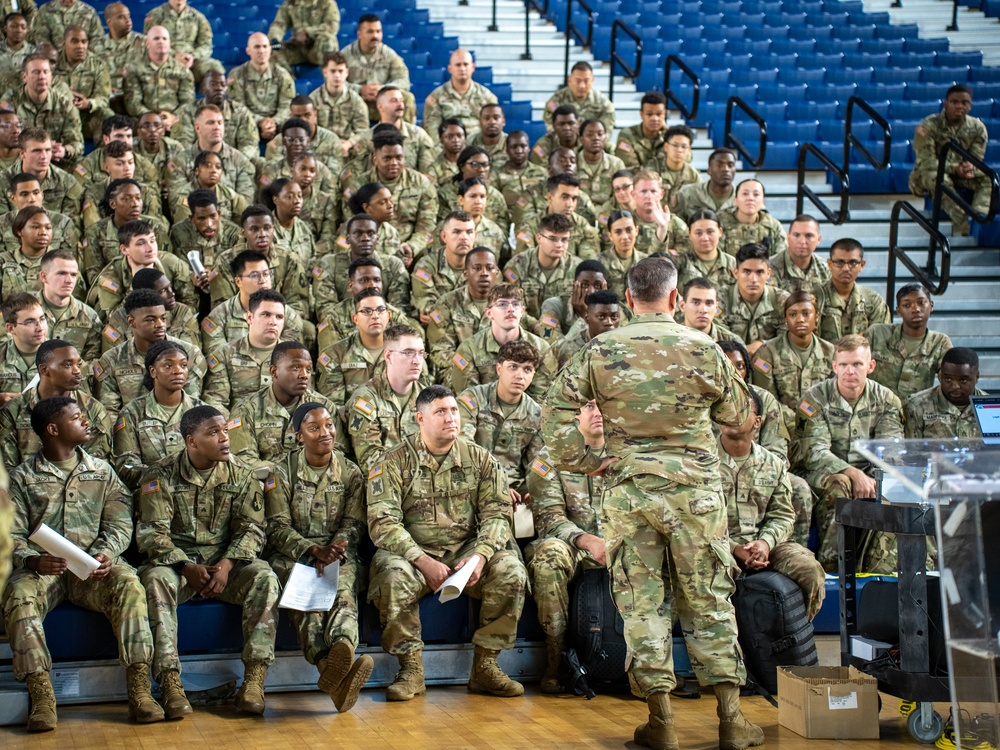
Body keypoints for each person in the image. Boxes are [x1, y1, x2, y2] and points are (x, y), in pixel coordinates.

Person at [542, 256, 762, 750]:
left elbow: (553, 411)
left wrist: (585, 459)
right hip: (696, 498)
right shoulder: (704, 346)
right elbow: (739, 417)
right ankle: (731, 721)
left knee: (642, 606)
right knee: (708, 600)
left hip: (629, 494)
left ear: (627, 300)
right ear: (675, 298)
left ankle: (661, 722)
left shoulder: (600, 349)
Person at [3, 396, 164, 732]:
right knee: (18, 593)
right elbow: (10, 534)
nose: (87, 422)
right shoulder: (20, 478)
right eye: (77, 418)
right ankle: (42, 695)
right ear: (53, 429)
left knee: (130, 584)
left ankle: (140, 689)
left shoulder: (101, 471)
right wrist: (31, 558)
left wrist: (106, 553)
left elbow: (120, 524)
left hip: (94, 568)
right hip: (44, 570)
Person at [367, 384, 528, 701]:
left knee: (511, 571)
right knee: (391, 577)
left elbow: (498, 514)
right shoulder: (393, 462)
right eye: (440, 411)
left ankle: (486, 667)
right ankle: (411, 669)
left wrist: (481, 557)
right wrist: (421, 560)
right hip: (415, 554)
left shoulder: (481, 460)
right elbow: (383, 522)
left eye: (454, 410)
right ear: (420, 418)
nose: (450, 417)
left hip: (466, 554)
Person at [137, 405, 280, 717]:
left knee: (265, 576)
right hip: (178, 566)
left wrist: (227, 565)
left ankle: (254, 681)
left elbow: (252, 529)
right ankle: (171, 683)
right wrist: (186, 566)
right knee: (154, 580)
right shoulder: (159, 475)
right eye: (213, 432)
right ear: (191, 441)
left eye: (225, 430)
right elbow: (151, 534)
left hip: (224, 565)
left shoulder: (242, 473)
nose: (224, 438)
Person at [264, 401, 373, 712]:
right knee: (309, 596)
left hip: (337, 551)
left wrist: (334, 549)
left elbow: (354, 523)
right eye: (314, 428)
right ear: (299, 436)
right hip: (293, 553)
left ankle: (341, 649)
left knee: (343, 591)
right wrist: (313, 551)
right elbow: (277, 527)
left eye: (328, 425)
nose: (325, 432)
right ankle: (331, 667)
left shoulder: (350, 472)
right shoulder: (281, 472)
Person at [797, 334, 904, 572]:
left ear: (871, 366)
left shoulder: (886, 400)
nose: (849, 371)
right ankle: (833, 567)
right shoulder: (815, 398)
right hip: (823, 473)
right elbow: (814, 452)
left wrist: (873, 478)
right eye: (843, 364)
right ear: (834, 366)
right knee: (840, 483)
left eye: (857, 364)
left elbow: (892, 454)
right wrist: (852, 473)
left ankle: (878, 570)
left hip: (872, 474)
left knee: (894, 490)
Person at [719, 389, 826, 621]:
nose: (732, 414)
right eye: (726, 409)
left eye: (741, 409)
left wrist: (765, 543)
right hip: (717, 547)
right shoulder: (702, 463)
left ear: (757, 422)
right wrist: (735, 548)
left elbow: (783, 516)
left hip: (765, 545)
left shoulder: (773, 464)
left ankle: (792, 634)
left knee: (809, 569)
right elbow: (695, 520)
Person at [526, 399, 606, 693]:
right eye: (588, 407)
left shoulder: (626, 454)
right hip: (572, 546)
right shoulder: (549, 458)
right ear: (573, 415)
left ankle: (647, 665)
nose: (597, 413)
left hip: (617, 544)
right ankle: (556, 660)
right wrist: (587, 541)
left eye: (601, 405)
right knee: (549, 555)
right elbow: (549, 519)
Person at [92, 288, 206, 420]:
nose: (160, 325)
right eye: (151, 320)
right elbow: (110, 411)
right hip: (131, 431)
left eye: (163, 318)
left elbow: (192, 404)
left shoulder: (189, 353)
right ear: (131, 321)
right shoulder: (112, 360)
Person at [0, 337, 109, 467]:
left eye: (78, 364)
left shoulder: (93, 409)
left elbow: (98, 468)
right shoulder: (13, 410)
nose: (77, 371)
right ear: (44, 370)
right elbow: (7, 468)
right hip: (24, 485)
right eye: (68, 365)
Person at [457, 340, 543, 504]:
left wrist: (531, 491)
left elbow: (536, 463)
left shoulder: (536, 414)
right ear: (499, 369)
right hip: (470, 482)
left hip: (514, 491)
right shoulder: (472, 399)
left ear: (533, 375)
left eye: (527, 369)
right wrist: (496, 485)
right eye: (513, 367)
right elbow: (462, 446)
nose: (519, 375)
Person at [227, 341, 337, 467]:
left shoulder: (324, 407)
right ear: (274, 372)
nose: (304, 375)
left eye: (308, 369)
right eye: (296, 367)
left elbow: (336, 453)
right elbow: (243, 460)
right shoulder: (245, 410)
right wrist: (282, 476)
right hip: (264, 483)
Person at [111, 339, 203, 490]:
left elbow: (214, 461)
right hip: (152, 494)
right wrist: (167, 476)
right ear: (153, 371)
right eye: (168, 365)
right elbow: (126, 468)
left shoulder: (201, 412)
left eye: (183, 365)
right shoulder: (132, 413)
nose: (178, 370)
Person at [341, 130, 438, 259]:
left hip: (411, 250)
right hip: (369, 248)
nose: (394, 163)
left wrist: (411, 247)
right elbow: (353, 224)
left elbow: (426, 225)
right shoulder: (359, 185)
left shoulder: (421, 183)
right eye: (387, 158)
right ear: (375, 159)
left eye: (399, 157)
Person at [909, 84, 991, 236]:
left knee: (988, 179)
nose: (959, 106)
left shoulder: (978, 128)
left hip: (958, 174)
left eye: (964, 103)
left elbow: (976, 159)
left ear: (970, 106)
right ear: (945, 103)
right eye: (954, 102)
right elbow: (926, 162)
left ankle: (979, 219)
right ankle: (964, 227)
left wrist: (969, 168)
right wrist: (955, 168)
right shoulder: (929, 125)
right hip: (926, 175)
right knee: (940, 178)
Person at [751, 291, 835, 435]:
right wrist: (799, 423)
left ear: (817, 317)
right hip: (780, 428)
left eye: (806, 313)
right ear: (785, 319)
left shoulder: (831, 352)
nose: (800, 319)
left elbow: (835, 397)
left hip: (823, 427)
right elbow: (766, 400)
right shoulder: (766, 354)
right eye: (792, 314)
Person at [451, 283, 554, 400]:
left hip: (528, 415)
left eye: (516, 304)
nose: (510, 309)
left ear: (522, 311)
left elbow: (540, 399)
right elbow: (469, 400)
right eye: (502, 304)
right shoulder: (469, 349)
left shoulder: (541, 348)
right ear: (489, 313)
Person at [346, 323, 423, 471]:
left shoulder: (427, 397)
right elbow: (371, 461)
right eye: (408, 353)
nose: (417, 361)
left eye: (421, 353)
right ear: (388, 356)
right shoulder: (366, 399)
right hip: (382, 485)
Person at [210, 205, 310, 316]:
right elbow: (223, 306)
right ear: (244, 233)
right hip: (239, 323)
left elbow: (298, 302)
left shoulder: (288, 259)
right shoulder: (226, 261)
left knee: (307, 328)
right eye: (254, 229)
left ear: (274, 229)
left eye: (267, 228)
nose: (262, 235)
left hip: (278, 321)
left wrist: (276, 322)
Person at [87, 216, 195, 318]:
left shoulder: (171, 263)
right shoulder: (111, 275)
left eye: (152, 241)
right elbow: (115, 318)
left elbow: (190, 303)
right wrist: (136, 285)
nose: (150, 248)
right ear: (124, 249)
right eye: (141, 243)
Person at [202, 288, 287, 415]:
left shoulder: (293, 355)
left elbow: (304, 401)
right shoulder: (223, 355)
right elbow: (215, 401)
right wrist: (235, 427)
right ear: (249, 317)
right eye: (266, 315)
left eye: (279, 317)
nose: (273, 322)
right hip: (238, 428)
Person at [201, 249, 305, 351]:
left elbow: (289, 358)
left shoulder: (289, 316)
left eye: (265, 274)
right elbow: (217, 359)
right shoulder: (218, 317)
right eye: (254, 275)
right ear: (238, 281)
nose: (263, 281)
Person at [313, 212, 409, 321]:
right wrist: (360, 321)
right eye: (358, 234)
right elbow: (325, 309)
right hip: (343, 325)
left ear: (377, 238)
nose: (365, 238)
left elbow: (400, 307)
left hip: (382, 323)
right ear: (348, 239)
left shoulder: (393, 265)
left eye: (371, 233)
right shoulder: (330, 264)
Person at [866, 283, 953, 402]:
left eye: (921, 303)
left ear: (931, 306)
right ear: (898, 310)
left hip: (916, 413)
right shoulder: (877, 333)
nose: (915, 309)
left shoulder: (939, 342)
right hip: (877, 410)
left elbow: (951, 380)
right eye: (907, 305)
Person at [315, 289, 404, 405]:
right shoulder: (334, 355)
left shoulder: (406, 352)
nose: (375, 316)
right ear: (355, 319)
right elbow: (333, 408)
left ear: (388, 315)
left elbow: (417, 398)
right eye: (367, 311)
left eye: (381, 310)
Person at [426, 247, 499, 376]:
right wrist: (471, 365)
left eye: (489, 268)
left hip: (498, 369)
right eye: (477, 268)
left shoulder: (508, 303)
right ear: (465, 273)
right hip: (459, 368)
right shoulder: (446, 303)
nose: (484, 273)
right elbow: (440, 351)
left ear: (497, 272)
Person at [1, 52, 82, 167]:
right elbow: (4, 140)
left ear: (51, 76)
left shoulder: (64, 103)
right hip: (19, 160)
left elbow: (77, 143)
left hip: (54, 161)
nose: (42, 76)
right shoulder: (10, 101)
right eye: (36, 72)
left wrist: (64, 150)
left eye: (45, 72)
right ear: (24, 77)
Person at [170, 66, 259, 161]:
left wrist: (233, 162)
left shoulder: (240, 111)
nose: (219, 88)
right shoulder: (187, 111)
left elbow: (249, 143)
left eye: (223, 84)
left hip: (233, 164)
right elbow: (182, 144)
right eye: (213, 84)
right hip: (198, 164)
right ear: (203, 89)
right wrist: (205, 163)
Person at [339, 14, 413, 123]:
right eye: (370, 32)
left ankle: (403, 136)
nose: (375, 36)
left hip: (382, 102)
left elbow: (404, 81)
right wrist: (359, 90)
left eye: (378, 31)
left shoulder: (389, 54)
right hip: (356, 101)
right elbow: (336, 82)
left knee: (407, 98)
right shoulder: (345, 55)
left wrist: (383, 89)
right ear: (359, 34)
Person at [815, 238, 890, 342]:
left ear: (862, 265)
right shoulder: (814, 297)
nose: (846, 268)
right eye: (839, 262)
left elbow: (881, 340)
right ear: (829, 264)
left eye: (853, 262)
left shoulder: (873, 301)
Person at [0, 127, 83, 220]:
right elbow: (2, 225)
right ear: (22, 153)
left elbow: (71, 226)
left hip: (55, 233)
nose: (44, 156)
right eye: (37, 151)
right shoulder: (3, 180)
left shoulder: (67, 182)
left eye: (48, 150)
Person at [121, 26, 195, 132]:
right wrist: (154, 120)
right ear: (147, 43)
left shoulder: (183, 71)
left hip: (174, 120)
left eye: (164, 39)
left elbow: (187, 102)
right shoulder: (134, 69)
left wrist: (174, 117)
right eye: (156, 38)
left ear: (170, 43)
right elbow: (133, 103)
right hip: (143, 119)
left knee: (185, 130)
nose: (161, 42)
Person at [721, 242, 789, 355]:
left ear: (768, 273)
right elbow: (717, 337)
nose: (753, 279)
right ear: (736, 273)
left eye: (759, 272)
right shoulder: (721, 298)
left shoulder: (782, 300)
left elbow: (787, 341)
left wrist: (762, 345)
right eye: (747, 272)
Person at [347, 87, 434, 174]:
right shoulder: (366, 138)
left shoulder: (418, 135)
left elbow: (429, 171)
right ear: (380, 106)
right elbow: (355, 173)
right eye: (394, 100)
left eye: (401, 100)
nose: (400, 104)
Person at [904, 347, 985, 438]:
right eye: (948, 379)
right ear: (940, 376)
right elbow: (912, 450)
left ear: (977, 377)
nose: (954, 386)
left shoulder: (992, 407)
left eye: (963, 380)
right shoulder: (917, 405)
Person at [227, 32, 295, 141]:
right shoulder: (236, 75)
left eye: (265, 46)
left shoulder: (283, 74)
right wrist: (260, 122)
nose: (261, 51)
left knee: (294, 126)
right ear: (248, 51)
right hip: (248, 122)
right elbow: (237, 106)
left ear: (270, 49)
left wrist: (274, 122)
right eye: (257, 47)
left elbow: (287, 105)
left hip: (277, 124)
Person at [410, 209, 476, 320]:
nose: (464, 237)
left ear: (475, 235)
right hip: (440, 326)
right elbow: (428, 308)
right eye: (457, 232)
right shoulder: (426, 266)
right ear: (444, 236)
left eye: (469, 232)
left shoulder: (485, 266)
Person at [513, 173, 599, 259]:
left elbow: (588, 263)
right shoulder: (530, 226)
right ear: (550, 198)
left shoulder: (583, 225)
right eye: (565, 197)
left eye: (574, 199)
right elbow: (523, 262)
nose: (570, 204)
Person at [423, 48, 498, 144]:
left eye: (465, 64)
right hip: (449, 149)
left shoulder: (487, 97)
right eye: (458, 65)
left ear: (473, 67)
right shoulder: (436, 97)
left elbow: (492, 130)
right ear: (450, 69)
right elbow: (432, 130)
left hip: (479, 149)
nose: (462, 68)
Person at [36, 249, 101, 360]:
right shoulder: (22, 312)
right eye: (61, 273)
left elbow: (93, 361)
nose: (69, 280)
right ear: (43, 276)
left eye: (73, 275)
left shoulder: (89, 317)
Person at [53, 25, 112, 144]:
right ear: (64, 43)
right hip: (58, 115)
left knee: (107, 115)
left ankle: (103, 156)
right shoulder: (52, 62)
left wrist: (89, 103)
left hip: (86, 117)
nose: (80, 46)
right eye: (74, 41)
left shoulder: (97, 64)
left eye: (84, 42)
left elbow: (104, 97)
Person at [535, 258, 610, 342]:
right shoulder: (553, 306)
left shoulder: (615, 310)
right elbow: (554, 348)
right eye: (585, 285)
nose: (591, 292)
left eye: (597, 286)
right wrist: (584, 318)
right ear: (574, 285)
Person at [142, 0, 213, 81]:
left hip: (191, 62)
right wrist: (173, 55)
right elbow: (149, 43)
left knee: (213, 67)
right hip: (164, 60)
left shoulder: (198, 17)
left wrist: (193, 57)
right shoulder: (155, 15)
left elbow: (206, 45)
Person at [550, 289, 621, 368]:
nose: (609, 322)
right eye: (601, 316)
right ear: (587, 317)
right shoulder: (571, 348)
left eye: (614, 317)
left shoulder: (627, 342)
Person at [492, 129, 548, 230]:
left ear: (529, 148)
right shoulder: (496, 175)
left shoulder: (542, 173)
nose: (519, 150)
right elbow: (495, 205)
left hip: (541, 224)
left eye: (523, 146)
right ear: (506, 149)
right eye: (514, 147)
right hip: (511, 225)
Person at [718, 179, 788, 258]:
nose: (750, 198)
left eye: (756, 194)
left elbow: (781, 257)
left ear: (762, 201)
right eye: (745, 194)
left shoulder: (773, 226)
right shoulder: (720, 223)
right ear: (736, 200)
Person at [309, 51, 369, 140]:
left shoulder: (356, 101)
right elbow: (311, 131)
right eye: (333, 71)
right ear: (325, 72)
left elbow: (362, 132)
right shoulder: (313, 99)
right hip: (322, 146)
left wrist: (349, 144)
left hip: (348, 147)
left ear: (347, 72)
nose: (337, 75)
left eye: (340, 71)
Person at [0, 292, 47, 403]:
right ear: (11, 328)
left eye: (42, 319)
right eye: (29, 322)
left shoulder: (62, 355)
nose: (40, 328)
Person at [543, 61, 614, 134]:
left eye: (586, 81)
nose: (582, 86)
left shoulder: (601, 101)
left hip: (592, 143)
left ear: (592, 80)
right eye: (578, 81)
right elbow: (550, 125)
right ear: (569, 80)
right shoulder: (557, 100)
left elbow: (607, 129)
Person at [676, 208, 735, 294]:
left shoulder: (731, 263)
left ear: (720, 232)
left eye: (710, 232)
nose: (705, 238)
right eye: (699, 233)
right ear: (690, 234)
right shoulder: (680, 262)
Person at [630, 170, 689, 255]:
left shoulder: (675, 224)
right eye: (643, 191)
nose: (649, 196)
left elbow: (684, 257)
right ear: (633, 194)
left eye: (653, 191)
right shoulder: (625, 222)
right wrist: (669, 253)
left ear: (661, 194)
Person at [267, 0, 340, 67]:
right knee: (270, 52)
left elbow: (332, 26)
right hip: (298, 47)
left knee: (328, 41)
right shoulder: (290, 3)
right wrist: (274, 39)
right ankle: (288, 79)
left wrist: (308, 32)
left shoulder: (327, 3)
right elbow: (279, 24)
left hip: (317, 47)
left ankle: (330, 76)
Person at [0, 206, 51, 299]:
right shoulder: (3, 261)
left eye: (48, 228)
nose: (43, 232)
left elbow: (76, 302)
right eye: (36, 227)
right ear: (19, 231)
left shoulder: (61, 261)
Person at [769, 214, 829, 294]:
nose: (802, 241)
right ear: (788, 238)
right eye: (796, 235)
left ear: (818, 239)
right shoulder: (770, 267)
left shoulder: (825, 269)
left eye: (809, 235)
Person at [674, 148, 737, 220]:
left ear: (735, 171)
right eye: (719, 165)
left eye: (730, 165)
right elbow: (675, 223)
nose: (725, 169)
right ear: (709, 170)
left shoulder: (742, 197)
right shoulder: (687, 193)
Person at [577, 119, 626, 209]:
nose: (596, 138)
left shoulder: (616, 164)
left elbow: (622, 195)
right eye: (590, 135)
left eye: (600, 134)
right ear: (581, 138)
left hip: (609, 214)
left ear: (606, 137)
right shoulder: (572, 163)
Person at [597, 209, 647, 298]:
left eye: (629, 230)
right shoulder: (599, 262)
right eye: (618, 232)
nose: (624, 237)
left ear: (636, 230)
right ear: (610, 236)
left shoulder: (646, 262)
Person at [678, 277, 742, 343]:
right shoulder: (669, 338)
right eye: (696, 302)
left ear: (716, 308)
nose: (703, 310)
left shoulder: (732, 341)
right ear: (682, 306)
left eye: (709, 303)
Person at [614, 91, 667, 170]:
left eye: (659, 114)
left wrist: (668, 132)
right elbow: (630, 169)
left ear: (664, 114)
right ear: (641, 114)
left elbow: (685, 158)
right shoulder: (627, 135)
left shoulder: (669, 137)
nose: (655, 119)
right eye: (649, 114)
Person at [103, 3, 145, 99]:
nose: (128, 20)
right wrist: (104, 89)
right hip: (107, 98)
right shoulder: (97, 46)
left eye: (128, 16)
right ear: (109, 21)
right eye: (121, 17)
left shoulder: (144, 42)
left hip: (137, 96)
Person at [654, 124, 700, 208]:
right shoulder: (652, 170)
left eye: (684, 147)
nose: (679, 150)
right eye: (675, 145)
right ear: (666, 147)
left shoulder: (693, 175)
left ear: (689, 150)